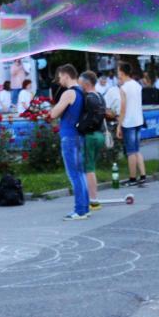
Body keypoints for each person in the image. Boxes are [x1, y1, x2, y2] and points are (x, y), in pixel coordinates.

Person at [49, 64, 90, 220]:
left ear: (66, 75)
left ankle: (79, 211)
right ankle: (85, 208)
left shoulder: (69, 93)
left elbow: (53, 114)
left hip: (69, 137)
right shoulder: (81, 91)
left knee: (74, 175)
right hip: (79, 136)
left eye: (60, 77)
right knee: (81, 173)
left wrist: (53, 108)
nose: (59, 80)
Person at [116, 61, 146, 186]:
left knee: (131, 152)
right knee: (137, 150)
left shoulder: (123, 88)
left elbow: (123, 108)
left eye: (118, 71)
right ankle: (143, 175)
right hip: (138, 120)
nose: (117, 73)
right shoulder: (137, 85)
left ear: (122, 73)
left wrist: (119, 125)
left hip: (128, 122)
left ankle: (133, 178)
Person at [77, 71, 106, 201]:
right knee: (91, 167)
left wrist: (79, 127)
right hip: (99, 135)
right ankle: (92, 198)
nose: (79, 86)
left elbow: (86, 118)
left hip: (90, 136)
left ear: (86, 84)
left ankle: (93, 199)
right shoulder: (100, 96)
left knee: (89, 169)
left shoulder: (87, 98)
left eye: (80, 83)